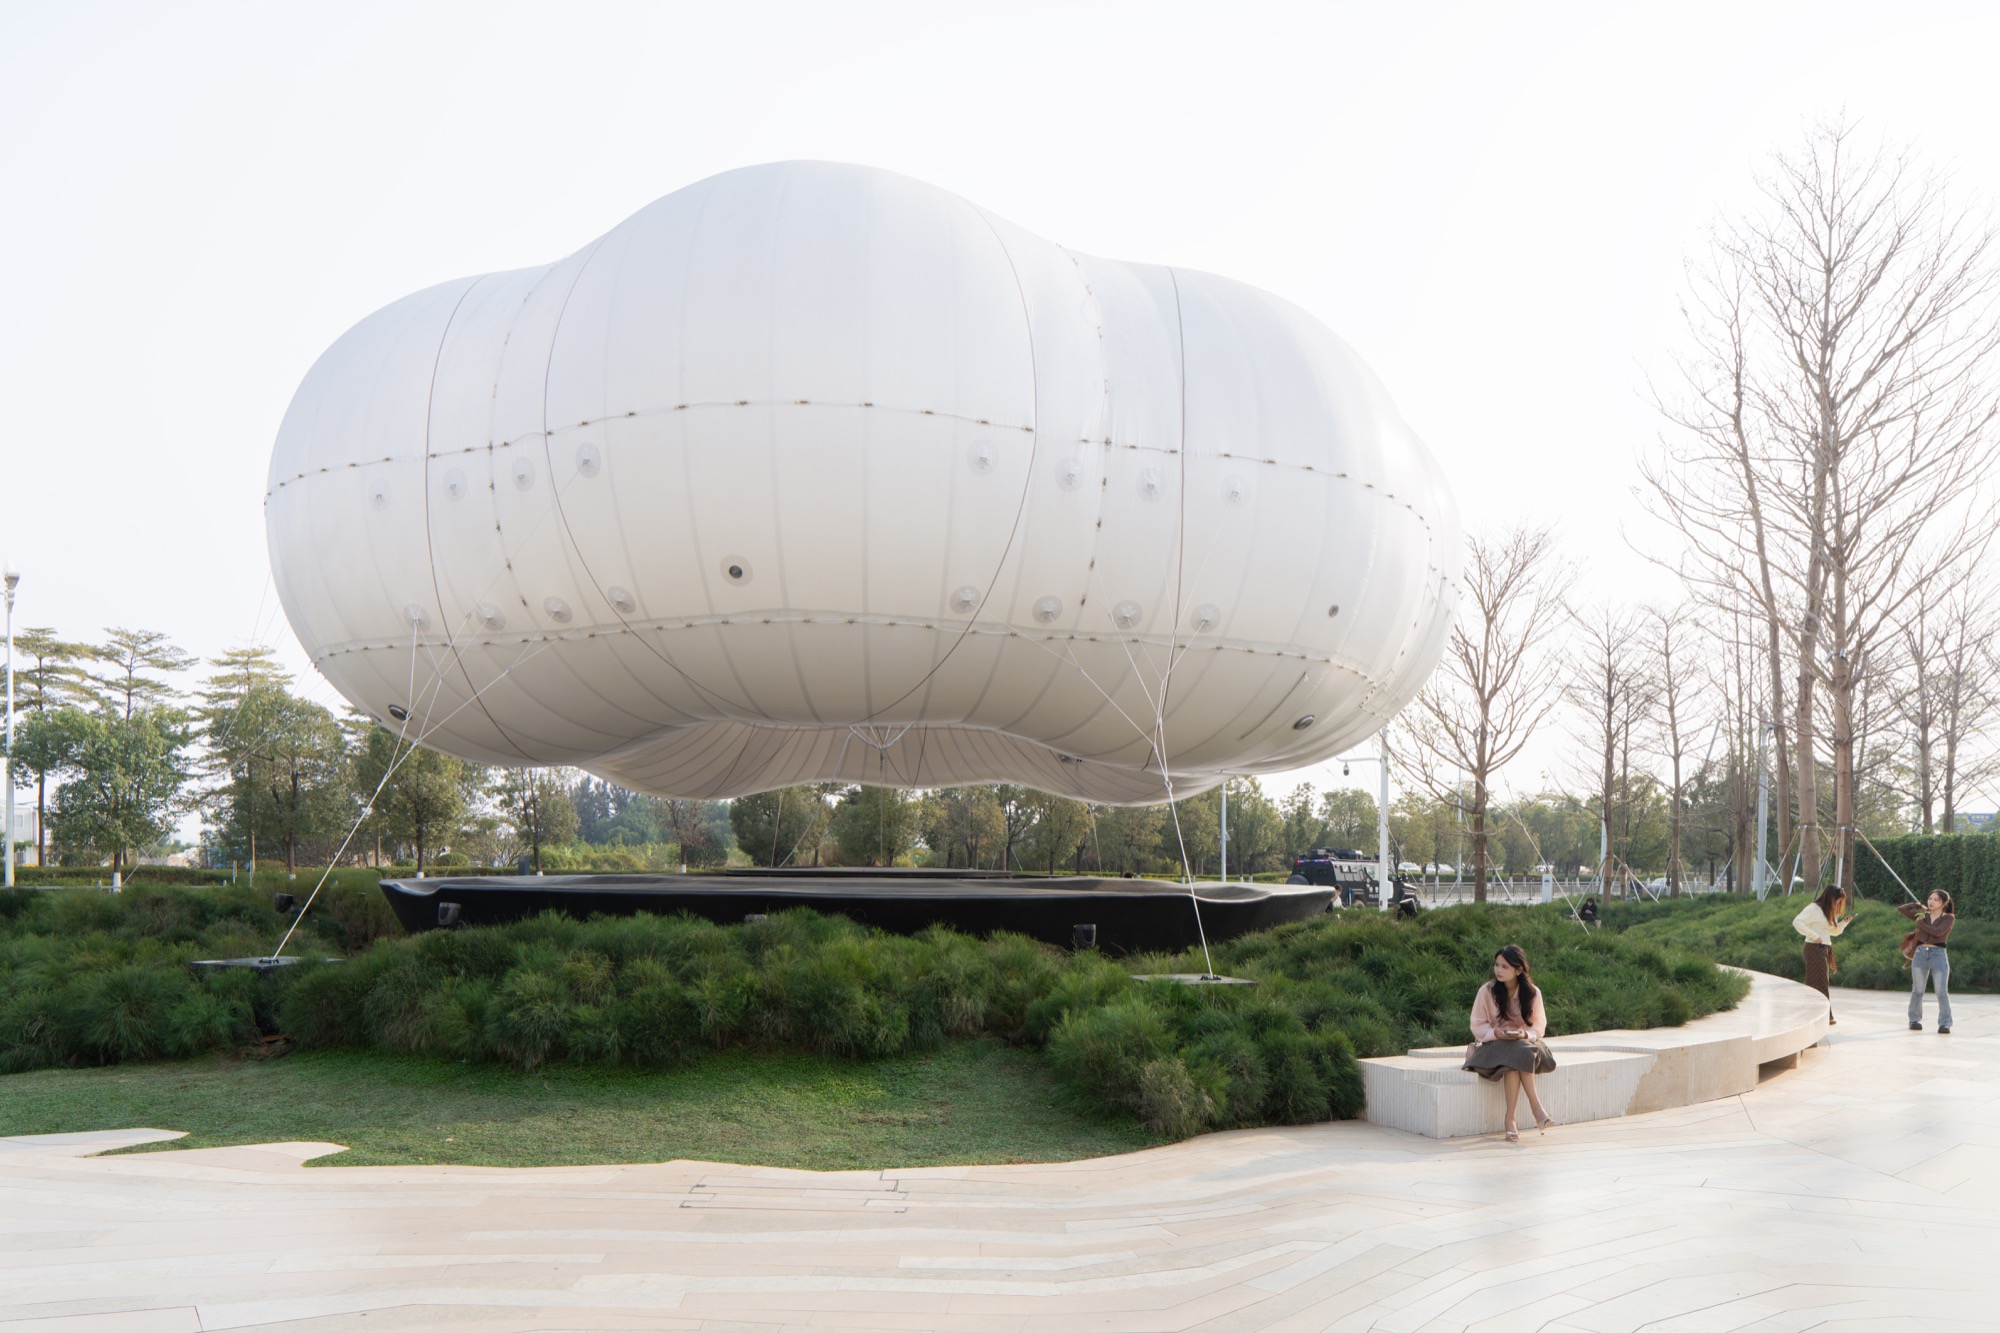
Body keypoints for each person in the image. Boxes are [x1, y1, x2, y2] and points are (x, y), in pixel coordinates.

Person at [1462, 944, 1556, 1142]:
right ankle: (1536, 1108)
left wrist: (1523, 1034)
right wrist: (1496, 1032)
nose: (1498, 970)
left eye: (1505, 967)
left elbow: (1539, 1027)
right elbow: (1477, 1025)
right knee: (1515, 1054)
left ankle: (1510, 1119)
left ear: (1519, 970)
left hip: (1526, 1045)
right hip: (1493, 1046)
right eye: (1497, 965)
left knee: (1516, 1053)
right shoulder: (1486, 991)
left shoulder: (1532, 993)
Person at [1792, 884, 1850, 1025]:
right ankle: (1824, 1016)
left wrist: (1844, 923)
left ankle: (1819, 1014)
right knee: (1818, 982)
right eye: (1837, 900)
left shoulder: (1829, 911)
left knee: (1821, 982)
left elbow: (1833, 932)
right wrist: (1814, 935)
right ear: (1830, 897)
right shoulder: (1814, 909)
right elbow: (1797, 922)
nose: (1838, 903)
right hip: (1815, 948)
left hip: (1824, 948)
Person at [1898, 889, 1955, 1034]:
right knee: (1917, 990)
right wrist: (1916, 905)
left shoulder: (1948, 918)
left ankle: (1945, 1023)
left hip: (1938, 954)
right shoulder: (1923, 914)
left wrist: (1920, 922)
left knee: (1941, 991)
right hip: (1920, 954)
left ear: (1943, 903)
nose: (1931, 902)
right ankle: (1914, 1020)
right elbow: (1901, 909)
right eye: (1930, 898)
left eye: (1935, 899)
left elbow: (1937, 932)